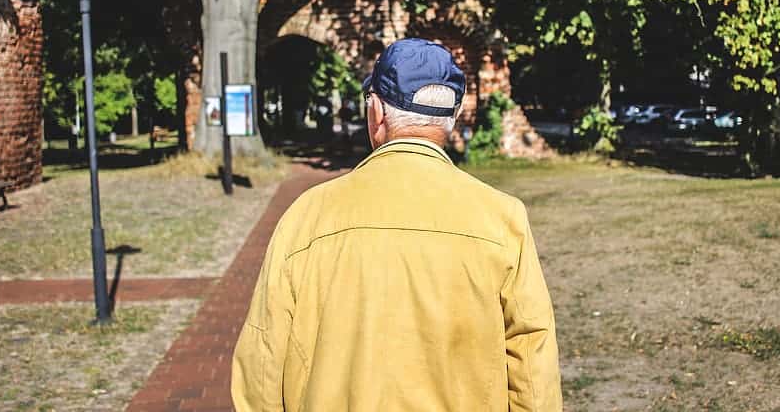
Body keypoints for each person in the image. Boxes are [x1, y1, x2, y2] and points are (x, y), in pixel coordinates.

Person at [232, 38, 562, 411]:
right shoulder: (503, 219)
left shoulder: (306, 216)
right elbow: (532, 363)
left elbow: (262, 365)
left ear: (376, 112)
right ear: (450, 119)